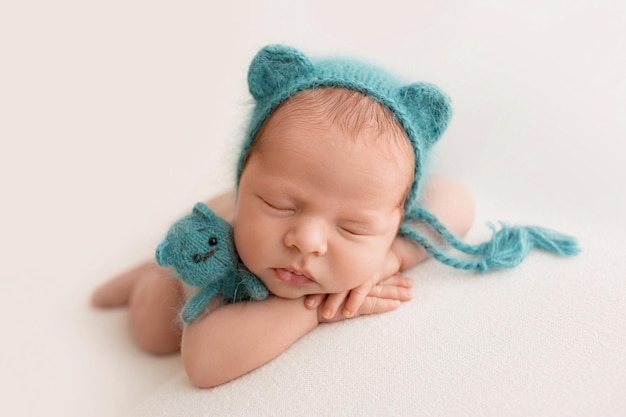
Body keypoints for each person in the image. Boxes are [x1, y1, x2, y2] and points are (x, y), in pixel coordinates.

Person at [92, 45, 576, 388]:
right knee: (153, 335)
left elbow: (458, 202)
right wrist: (319, 305)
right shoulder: (221, 239)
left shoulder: (386, 205)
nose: (307, 241)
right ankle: (150, 273)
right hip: (191, 263)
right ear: (243, 187)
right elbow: (202, 361)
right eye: (279, 205)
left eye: (354, 228)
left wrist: (390, 259)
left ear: (393, 218)